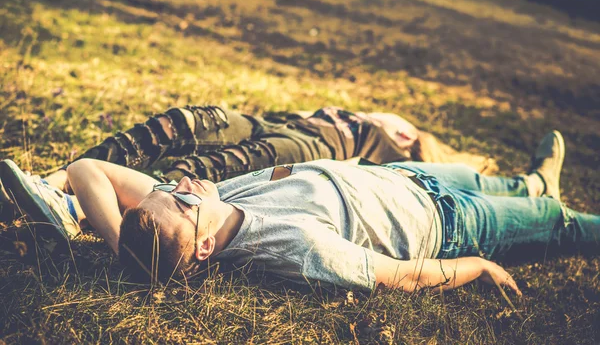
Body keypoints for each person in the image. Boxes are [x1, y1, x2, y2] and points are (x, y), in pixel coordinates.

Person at [2, 130, 597, 294]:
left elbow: (87, 171)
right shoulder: (297, 251)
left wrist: (117, 245)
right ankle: (547, 201)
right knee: (565, 226)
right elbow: (402, 277)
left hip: (402, 177)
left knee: (502, 182)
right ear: (204, 248)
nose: (184, 183)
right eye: (181, 197)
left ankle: (535, 180)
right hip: (447, 225)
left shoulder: (204, 208)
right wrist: (478, 267)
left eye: (170, 186)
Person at [0, 105, 496, 238]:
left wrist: (476, 165)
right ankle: (51, 181)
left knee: (203, 172)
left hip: (322, 142)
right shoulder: (403, 130)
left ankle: (72, 211)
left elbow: (468, 166)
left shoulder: (414, 147)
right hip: (282, 122)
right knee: (185, 122)